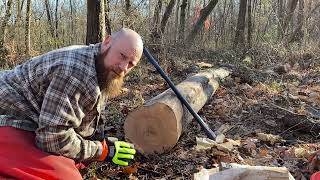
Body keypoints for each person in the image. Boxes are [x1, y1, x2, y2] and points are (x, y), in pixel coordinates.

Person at [0, 28, 143, 179]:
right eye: (122, 56)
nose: (123, 67)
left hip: (35, 120)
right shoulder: (76, 74)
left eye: (131, 64)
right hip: (8, 114)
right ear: (107, 42)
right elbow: (51, 139)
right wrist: (102, 150)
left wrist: (101, 143)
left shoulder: (104, 69)